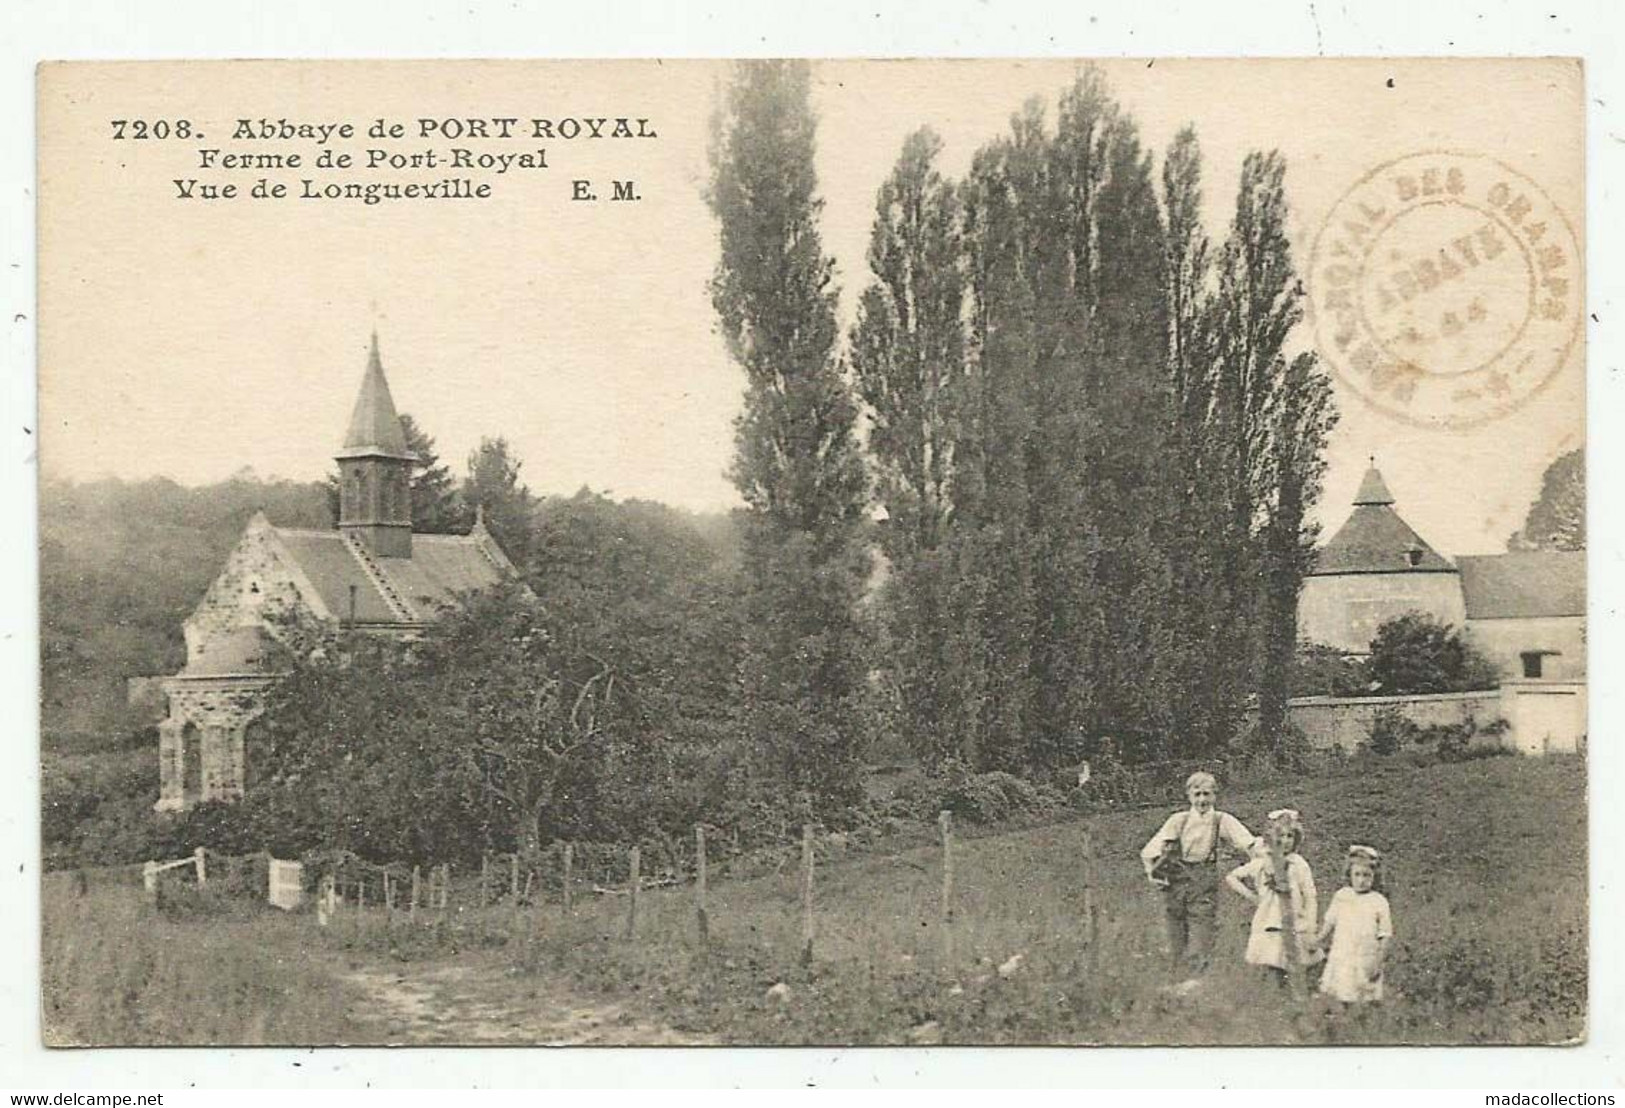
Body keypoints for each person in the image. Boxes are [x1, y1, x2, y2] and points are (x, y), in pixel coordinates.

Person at [1140, 770, 1258, 991]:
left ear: (1215, 795)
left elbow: (1248, 843)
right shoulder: (1178, 820)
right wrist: (1153, 875)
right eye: (1197, 794)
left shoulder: (1221, 820)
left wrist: (1261, 862)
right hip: (1176, 878)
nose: (1202, 800)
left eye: (1207, 794)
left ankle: (1196, 982)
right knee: (1175, 927)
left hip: (1203, 878)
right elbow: (1149, 851)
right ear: (1189, 796)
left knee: (1202, 927)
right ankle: (1176, 978)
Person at [1226, 808, 1319, 988]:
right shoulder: (1262, 862)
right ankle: (1275, 990)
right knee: (1273, 961)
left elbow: (1310, 895)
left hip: (1294, 920)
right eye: (1281, 836)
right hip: (1269, 920)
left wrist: (1311, 924)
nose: (1285, 841)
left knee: (1298, 963)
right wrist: (1253, 897)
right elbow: (1232, 877)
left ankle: (1298, 990)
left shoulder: (1299, 864)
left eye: (1290, 836)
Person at [1317, 844, 1393, 1003]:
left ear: (1374, 877)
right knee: (1340, 995)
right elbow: (1329, 923)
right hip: (1342, 955)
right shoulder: (1342, 896)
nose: (1361, 880)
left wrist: (1378, 962)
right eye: (1357, 874)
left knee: (1363, 999)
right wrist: (1317, 940)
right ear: (1349, 875)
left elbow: (1385, 935)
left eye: (1367, 875)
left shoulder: (1379, 901)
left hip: (1365, 958)